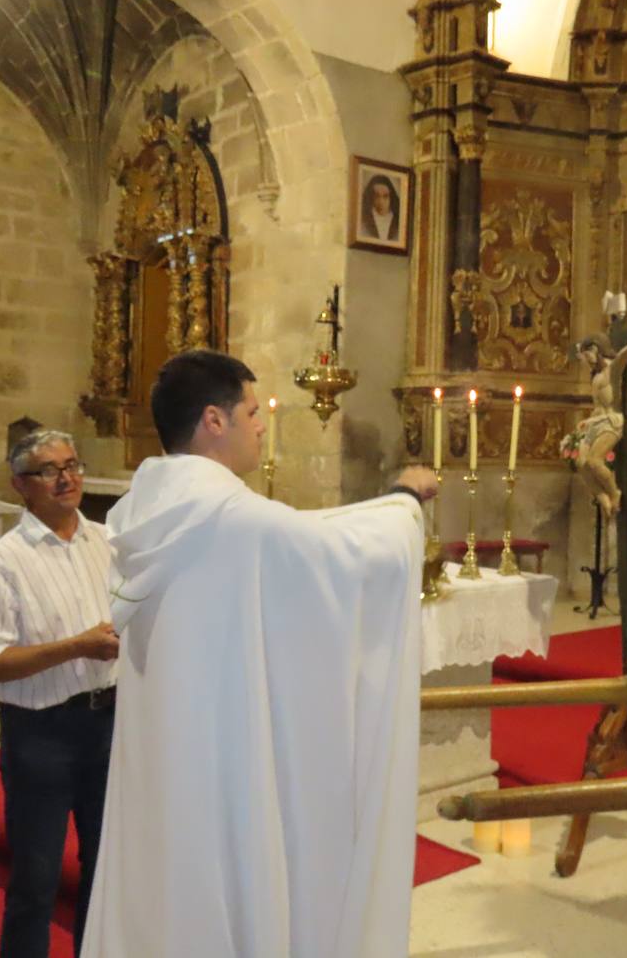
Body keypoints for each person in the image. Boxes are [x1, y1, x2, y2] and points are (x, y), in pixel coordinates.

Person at [81, 349, 436, 958]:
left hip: (165, 758)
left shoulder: (146, 511)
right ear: (214, 422)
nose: (262, 424)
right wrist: (404, 500)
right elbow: (341, 556)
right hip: (225, 765)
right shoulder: (232, 520)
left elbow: (304, 538)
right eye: (251, 411)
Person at [0, 430, 120, 958]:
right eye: (49, 470)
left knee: (105, 870)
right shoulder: (4, 562)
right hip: (41, 736)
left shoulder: (107, 541)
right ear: (19, 486)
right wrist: (77, 646)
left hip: (109, 725)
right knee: (36, 878)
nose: (66, 477)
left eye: (72, 465)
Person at [572, 317, 627, 517]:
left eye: (588, 354)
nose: (587, 360)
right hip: (597, 422)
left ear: (597, 349)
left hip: (612, 422)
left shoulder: (612, 369)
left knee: (594, 462)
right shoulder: (595, 377)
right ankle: (603, 498)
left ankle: (614, 492)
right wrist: (588, 421)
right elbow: (597, 407)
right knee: (581, 464)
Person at [359, 172, 400, 241]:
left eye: (385, 196)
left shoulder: (397, 221)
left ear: (391, 198)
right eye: (377, 196)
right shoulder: (364, 219)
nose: (381, 201)